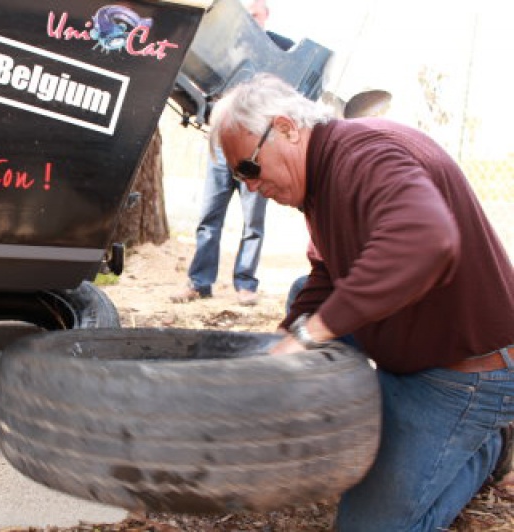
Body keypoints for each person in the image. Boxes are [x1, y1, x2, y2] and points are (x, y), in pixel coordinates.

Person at [209, 73, 514, 531]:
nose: (250, 186)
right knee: (301, 301)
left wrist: (311, 334)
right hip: (410, 346)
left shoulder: (367, 155)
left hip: (463, 372)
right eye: (238, 176)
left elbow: (426, 240)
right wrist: (288, 332)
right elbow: (327, 273)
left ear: (287, 128)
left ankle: (489, 448)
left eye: (249, 168)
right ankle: (340, 426)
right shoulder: (321, 177)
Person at [171, 0, 292, 306]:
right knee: (209, 218)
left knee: (253, 223)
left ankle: (245, 285)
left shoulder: (281, 50)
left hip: (259, 152)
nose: (251, 22)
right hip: (221, 148)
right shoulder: (223, 49)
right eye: (247, 17)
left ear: (265, 17)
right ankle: (200, 282)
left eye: (256, 16)